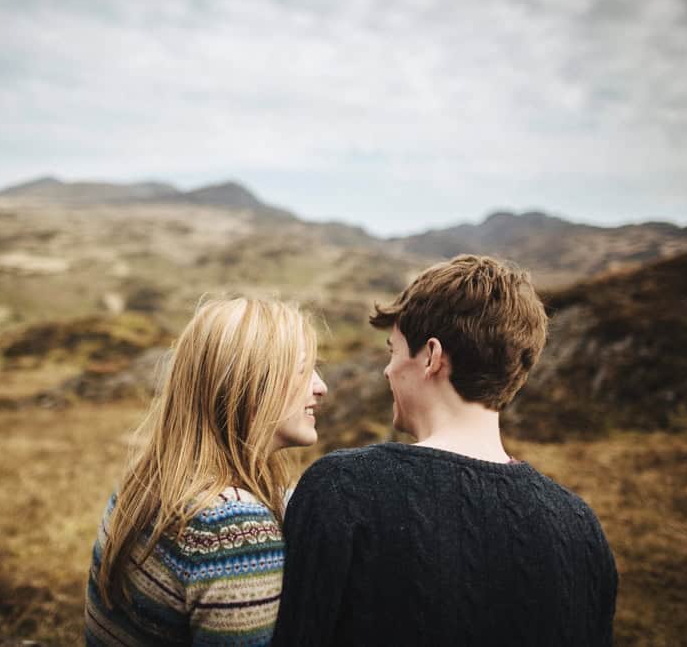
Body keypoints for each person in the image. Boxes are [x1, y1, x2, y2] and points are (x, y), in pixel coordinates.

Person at [272, 255, 617, 646]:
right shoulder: (581, 526)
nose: (387, 371)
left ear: (432, 357)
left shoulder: (342, 488)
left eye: (393, 351)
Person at [85, 297, 328, 646]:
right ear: (250, 383)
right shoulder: (233, 526)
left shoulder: (151, 480)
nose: (321, 387)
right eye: (304, 370)